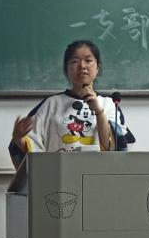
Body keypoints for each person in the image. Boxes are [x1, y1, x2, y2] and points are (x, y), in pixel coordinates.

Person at [8, 40, 116, 168]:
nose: (82, 66)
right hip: (58, 175)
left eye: (88, 60)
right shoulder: (50, 104)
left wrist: (98, 111)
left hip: (96, 174)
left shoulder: (109, 104)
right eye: (75, 61)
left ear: (97, 67)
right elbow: (31, 150)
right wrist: (18, 138)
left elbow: (114, 149)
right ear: (66, 69)